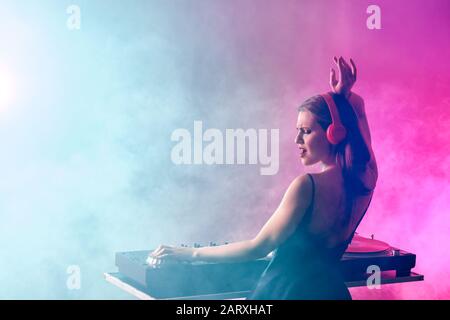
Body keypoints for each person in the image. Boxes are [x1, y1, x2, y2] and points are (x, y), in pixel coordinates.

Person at [149, 57, 378, 300]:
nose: (297, 141)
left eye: (307, 131)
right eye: (298, 131)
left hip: (286, 292)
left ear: (334, 133)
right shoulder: (367, 179)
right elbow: (359, 117)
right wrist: (343, 96)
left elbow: (259, 247)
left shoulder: (307, 186)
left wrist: (190, 254)